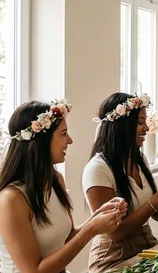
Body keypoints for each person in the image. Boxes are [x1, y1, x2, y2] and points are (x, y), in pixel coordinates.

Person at [0, 100, 126, 273]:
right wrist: (91, 229)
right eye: (63, 133)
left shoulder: (56, 179)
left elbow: (66, 240)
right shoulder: (11, 199)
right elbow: (33, 270)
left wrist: (97, 216)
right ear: (40, 140)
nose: (70, 140)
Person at [82, 92, 158, 272]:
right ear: (122, 126)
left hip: (145, 245)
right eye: (140, 123)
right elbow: (116, 233)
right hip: (113, 256)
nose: (146, 128)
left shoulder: (140, 160)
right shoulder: (98, 168)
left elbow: (157, 215)